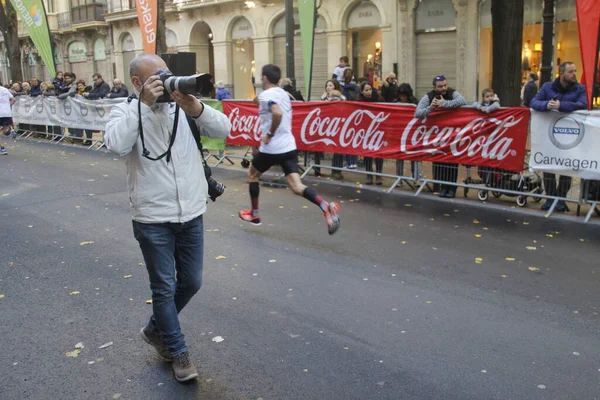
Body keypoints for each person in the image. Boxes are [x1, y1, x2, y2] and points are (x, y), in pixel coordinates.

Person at [104, 53, 231, 383]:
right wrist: (143, 106)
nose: (164, 80)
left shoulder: (181, 110)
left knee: (191, 282)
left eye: (166, 74)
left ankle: (154, 329)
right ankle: (178, 352)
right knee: (163, 289)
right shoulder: (125, 111)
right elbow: (116, 144)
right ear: (137, 83)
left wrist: (196, 107)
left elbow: (224, 128)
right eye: (156, 76)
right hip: (151, 217)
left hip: (191, 212)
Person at [239, 64, 341, 235]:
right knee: (296, 186)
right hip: (289, 146)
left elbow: (276, 112)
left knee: (252, 175)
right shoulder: (283, 94)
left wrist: (270, 134)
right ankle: (326, 207)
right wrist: (258, 100)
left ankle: (255, 215)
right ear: (278, 79)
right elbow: (267, 103)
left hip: (271, 148)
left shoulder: (267, 95)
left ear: (264, 78)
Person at [531, 61, 587, 212]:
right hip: (549, 135)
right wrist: (546, 105)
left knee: (566, 167)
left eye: (575, 70)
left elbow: (583, 104)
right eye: (571, 71)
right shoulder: (548, 87)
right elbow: (534, 102)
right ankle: (550, 199)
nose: (574, 74)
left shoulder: (580, 88)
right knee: (548, 167)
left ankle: (561, 200)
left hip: (570, 136)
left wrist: (561, 105)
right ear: (561, 73)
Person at [415, 75, 466, 198]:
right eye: (440, 86)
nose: (443, 88)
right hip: (436, 136)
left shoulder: (452, 93)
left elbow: (462, 101)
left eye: (445, 85)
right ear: (434, 87)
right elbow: (417, 113)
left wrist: (444, 103)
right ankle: (442, 187)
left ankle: (452, 188)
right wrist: (431, 108)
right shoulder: (429, 96)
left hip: (452, 134)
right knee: (439, 163)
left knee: (452, 163)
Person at [358, 81, 384, 185]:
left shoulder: (380, 99)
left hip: (379, 129)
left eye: (370, 89)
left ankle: (379, 175)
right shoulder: (358, 101)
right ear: (361, 91)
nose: (369, 92)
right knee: (367, 154)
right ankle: (369, 175)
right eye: (366, 90)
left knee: (379, 153)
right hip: (366, 130)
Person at [395, 83, 420, 182]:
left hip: (412, 133)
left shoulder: (415, 103)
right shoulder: (396, 103)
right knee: (399, 156)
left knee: (415, 156)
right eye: (401, 95)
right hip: (400, 133)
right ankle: (399, 178)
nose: (402, 98)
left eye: (404, 95)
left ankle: (416, 178)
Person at [0, 83, 16, 154]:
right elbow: (13, 99)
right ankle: (10, 129)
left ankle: (3, 148)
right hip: (6, 113)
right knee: (5, 130)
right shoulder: (5, 89)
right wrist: (8, 106)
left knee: (4, 131)